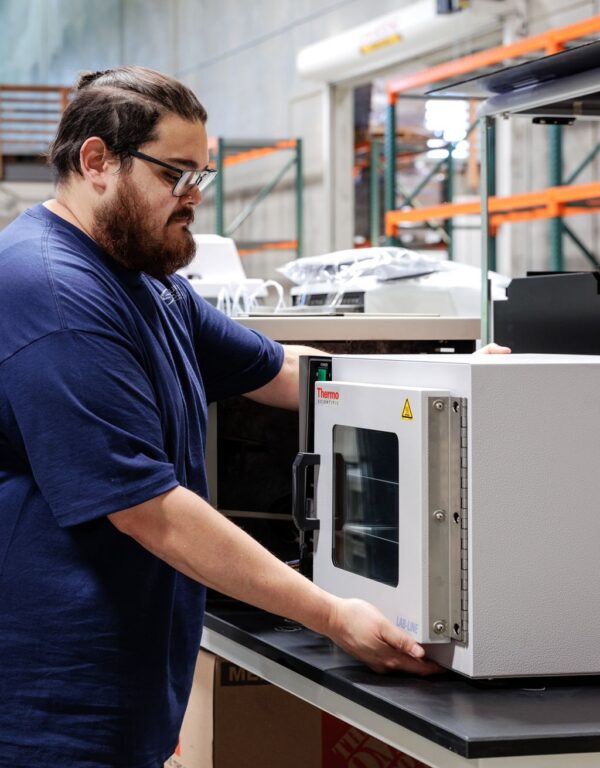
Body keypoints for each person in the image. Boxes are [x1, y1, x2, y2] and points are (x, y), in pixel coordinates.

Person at [0, 66, 507, 768]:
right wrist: (332, 615)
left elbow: (283, 370)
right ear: (97, 162)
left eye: (200, 175)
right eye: (177, 175)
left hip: (126, 680)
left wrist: (455, 379)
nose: (195, 198)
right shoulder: (54, 294)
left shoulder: (144, 280)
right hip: (48, 700)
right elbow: (150, 509)